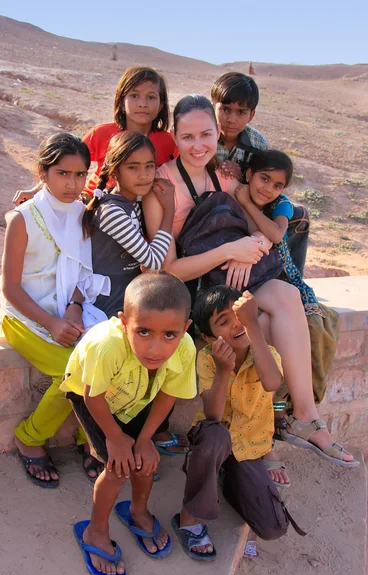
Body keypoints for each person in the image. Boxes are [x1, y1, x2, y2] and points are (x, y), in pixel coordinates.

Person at [143, 94, 357, 480]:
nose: (198, 145)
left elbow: (259, 226)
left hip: (240, 275)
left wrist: (249, 250)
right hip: (198, 289)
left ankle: (304, 416)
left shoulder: (226, 176)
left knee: (286, 298)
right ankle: (268, 436)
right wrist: (229, 249)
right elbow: (169, 269)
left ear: (217, 133)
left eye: (206, 134)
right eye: (188, 136)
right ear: (174, 135)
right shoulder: (161, 186)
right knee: (258, 328)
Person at [0, 133, 111, 487]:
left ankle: (89, 440)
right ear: (42, 172)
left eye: (80, 174)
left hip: (69, 308)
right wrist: (52, 322)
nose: (72, 184)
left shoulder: (83, 213)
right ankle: (30, 436)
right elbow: (10, 287)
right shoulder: (23, 219)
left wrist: (73, 308)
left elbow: (81, 272)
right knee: (72, 373)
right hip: (25, 315)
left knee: (107, 357)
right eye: (62, 174)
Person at [61, 271, 197, 575]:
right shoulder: (107, 345)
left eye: (169, 335)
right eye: (144, 331)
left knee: (146, 460)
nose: (155, 349)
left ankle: (137, 510)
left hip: (138, 395)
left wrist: (145, 439)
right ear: (124, 323)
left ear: (185, 330)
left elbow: (168, 393)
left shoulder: (186, 348)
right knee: (118, 466)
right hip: (94, 396)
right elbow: (92, 396)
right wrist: (117, 438)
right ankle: (95, 532)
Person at [234, 150, 359, 466]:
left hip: (268, 278)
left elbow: (275, 234)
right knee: (265, 324)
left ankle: (296, 417)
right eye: (264, 178)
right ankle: (274, 432)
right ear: (249, 174)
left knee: (273, 320)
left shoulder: (278, 204)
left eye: (277, 184)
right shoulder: (227, 190)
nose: (268, 188)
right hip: (231, 277)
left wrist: (246, 202)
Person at [172, 286, 302, 560]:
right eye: (224, 321)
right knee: (215, 436)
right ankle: (188, 518)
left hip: (248, 449)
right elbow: (213, 417)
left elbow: (272, 383)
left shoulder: (265, 354)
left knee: (273, 528)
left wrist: (252, 322)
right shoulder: (208, 358)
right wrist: (223, 370)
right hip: (214, 439)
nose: (236, 324)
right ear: (208, 338)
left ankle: (228, 480)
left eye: (238, 315)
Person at [12, 66, 176, 204]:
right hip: (95, 204)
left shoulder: (168, 141)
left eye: (151, 97)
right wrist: (35, 191)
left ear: (161, 105)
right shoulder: (102, 133)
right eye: (134, 95)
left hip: (146, 210)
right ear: (121, 100)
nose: (142, 103)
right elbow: (63, 162)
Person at [211, 72, 309, 273]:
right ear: (214, 106)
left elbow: (265, 176)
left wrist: (242, 174)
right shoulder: (203, 134)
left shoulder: (257, 142)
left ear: (251, 115)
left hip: (249, 201)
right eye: (225, 109)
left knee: (299, 215)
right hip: (212, 203)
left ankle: (290, 275)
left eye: (241, 112)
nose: (231, 119)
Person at [82, 131, 174, 319]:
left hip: (130, 303)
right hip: (106, 310)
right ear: (115, 171)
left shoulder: (134, 202)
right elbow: (153, 261)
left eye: (149, 166)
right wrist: (169, 210)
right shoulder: (111, 211)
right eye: (133, 167)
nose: (144, 175)